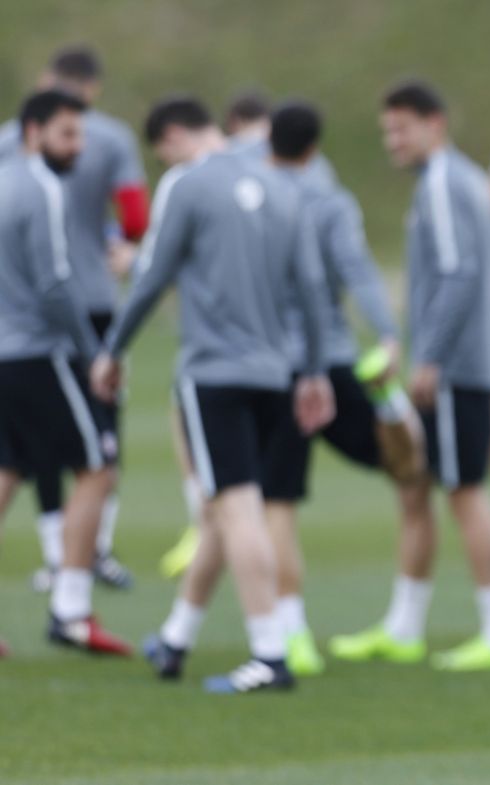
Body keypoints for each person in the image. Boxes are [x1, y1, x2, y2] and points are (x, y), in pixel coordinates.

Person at [96, 96, 335, 693]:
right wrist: (312, 371)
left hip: (214, 374)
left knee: (236, 508)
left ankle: (268, 654)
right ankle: (176, 638)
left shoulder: (185, 183)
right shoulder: (284, 185)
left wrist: (113, 350)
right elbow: (311, 286)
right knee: (221, 513)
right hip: (276, 373)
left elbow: (152, 274)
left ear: (173, 136)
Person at [328, 81, 490, 671]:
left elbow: (459, 274)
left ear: (434, 124)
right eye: (388, 129)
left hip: (456, 369)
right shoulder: (454, 179)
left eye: (401, 128)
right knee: (414, 487)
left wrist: (431, 357)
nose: (393, 139)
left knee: (465, 491)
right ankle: (405, 625)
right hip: (460, 365)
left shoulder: (443, 182)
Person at [249, 102, 423, 677]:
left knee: (275, 500)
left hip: (270, 366)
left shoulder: (246, 193)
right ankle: (411, 611)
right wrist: (390, 334)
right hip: (332, 359)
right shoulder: (330, 199)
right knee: (407, 466)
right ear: (315, 146)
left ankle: (291, 630)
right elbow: (357, 272)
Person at [0, 45, 147, 593]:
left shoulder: (7, 156)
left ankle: (55, 550)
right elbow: (134, 215)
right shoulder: (54, 174)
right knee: (97, 448)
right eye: (69, 136)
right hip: (65, 319)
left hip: (12, 324)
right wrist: (95, 352)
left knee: (20, 457)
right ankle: (78, 582)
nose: (79, 146)